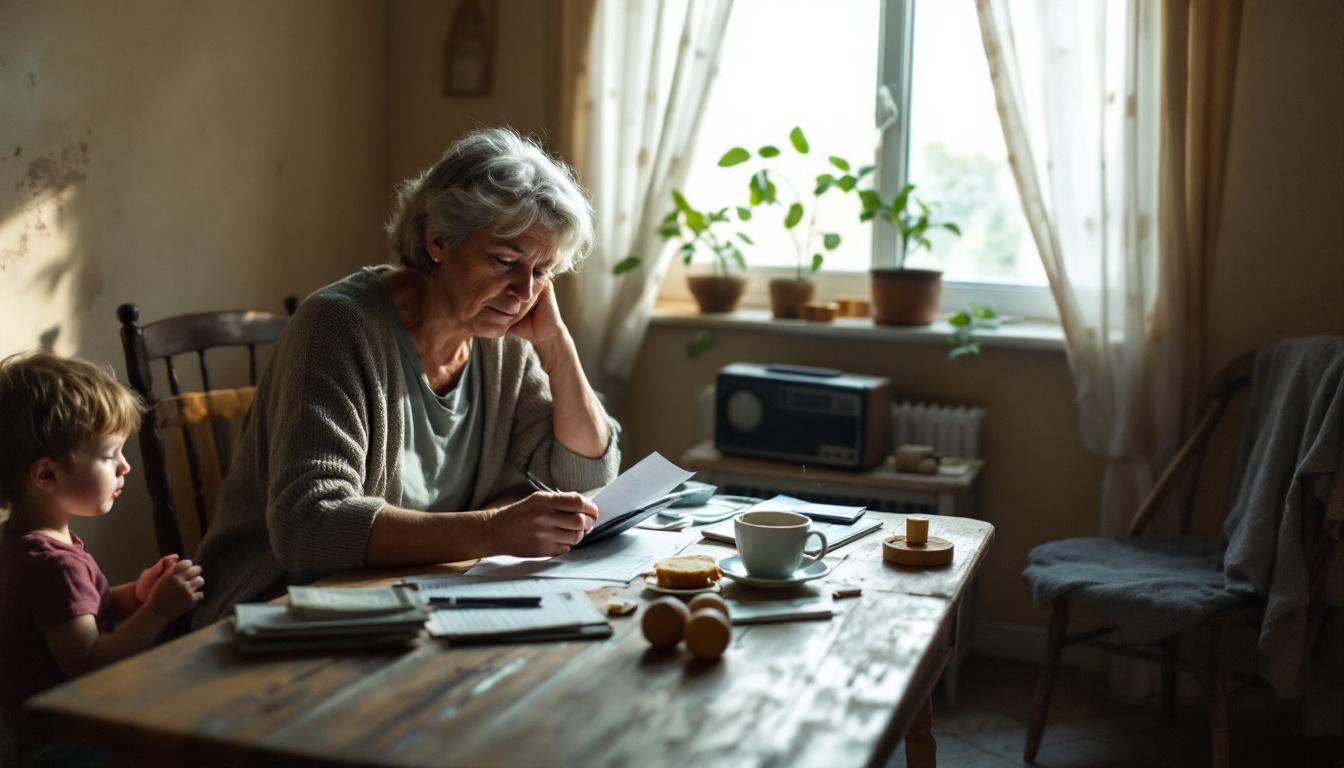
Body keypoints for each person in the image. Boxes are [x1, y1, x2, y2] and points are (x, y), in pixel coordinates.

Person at [192, 127, 621, 627]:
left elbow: (585, 472)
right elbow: (309, 526)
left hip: (420, 602)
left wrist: (556, 345)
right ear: (438, 240)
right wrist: (490, 531)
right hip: (284, 609)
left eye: (543, 271)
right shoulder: (338, 325)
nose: (523, 290)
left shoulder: (500, 339)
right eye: (505, 261)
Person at [0, 351, 206, 731]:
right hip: (66, 738)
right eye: (110, 455)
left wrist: (135, 594)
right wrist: (157, 612)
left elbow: (75, 614)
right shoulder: (53, 565)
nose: (125, 466)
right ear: (46, 475)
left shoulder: (22, 542)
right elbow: (90, 663)